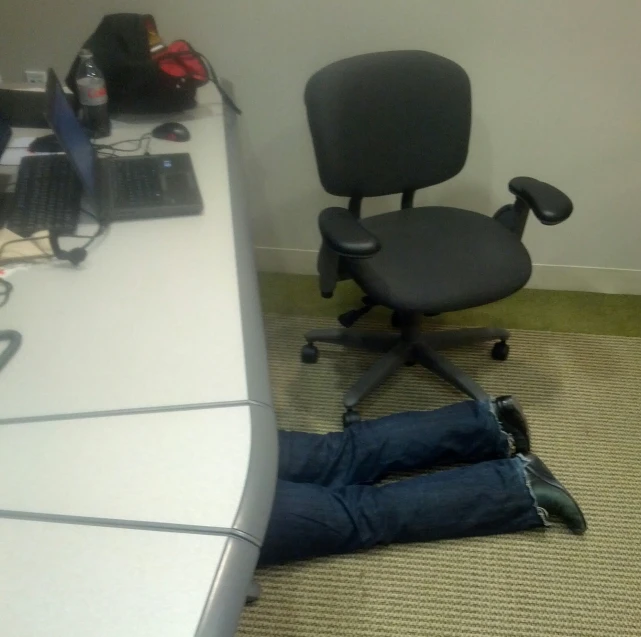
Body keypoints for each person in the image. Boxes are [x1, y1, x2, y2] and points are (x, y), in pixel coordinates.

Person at [259, 397, 587, 566]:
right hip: (217, 441)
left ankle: (519, 485)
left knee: (361, 515)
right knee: (338, 453)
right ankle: (489, 421)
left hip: (213, 513)